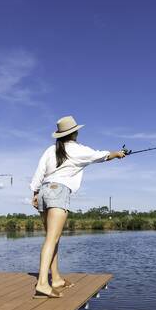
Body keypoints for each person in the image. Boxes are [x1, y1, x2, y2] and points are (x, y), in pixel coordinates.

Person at [30, 116, 126, 298]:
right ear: (74, 132)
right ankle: (42, 283)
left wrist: (34, 193)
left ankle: (56, 278)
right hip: (58, 192)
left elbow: (39, 173)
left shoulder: (51, 149)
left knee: (53, 238)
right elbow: (100, 155)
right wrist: (118, 154)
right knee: (52, 238)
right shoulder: (77, 149)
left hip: (43, 191)